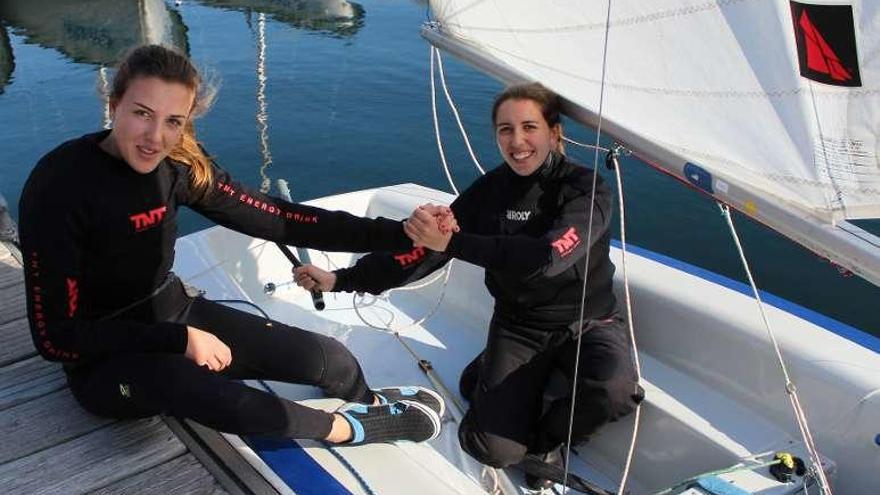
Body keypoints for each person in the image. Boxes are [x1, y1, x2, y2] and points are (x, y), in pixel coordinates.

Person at [18, 44, 446, 447]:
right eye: (142, 113)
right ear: (114, 106)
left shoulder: (178, 166)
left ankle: (368, 402)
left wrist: (401, 232)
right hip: (104, 361)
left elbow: (283, 219)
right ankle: (346, 429)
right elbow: (56, 341)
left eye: (173, 121)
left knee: (333, 359)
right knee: (206, 394)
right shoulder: (61, 185)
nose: (154, 136)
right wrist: (178, 340)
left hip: (171, 310)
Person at [295, 82, 643, 489]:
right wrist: (341, 279)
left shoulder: (586, 188)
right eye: (505, 130)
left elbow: (549, 257)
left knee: (616, 391)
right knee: (490, 449)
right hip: (520, 327)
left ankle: (546, 443)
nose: (517, 141)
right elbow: (425, 253)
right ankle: (485, 375)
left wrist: (455, 242)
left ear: (554, 133)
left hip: (590, 321)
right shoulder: (488, 192)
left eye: (529, 127)